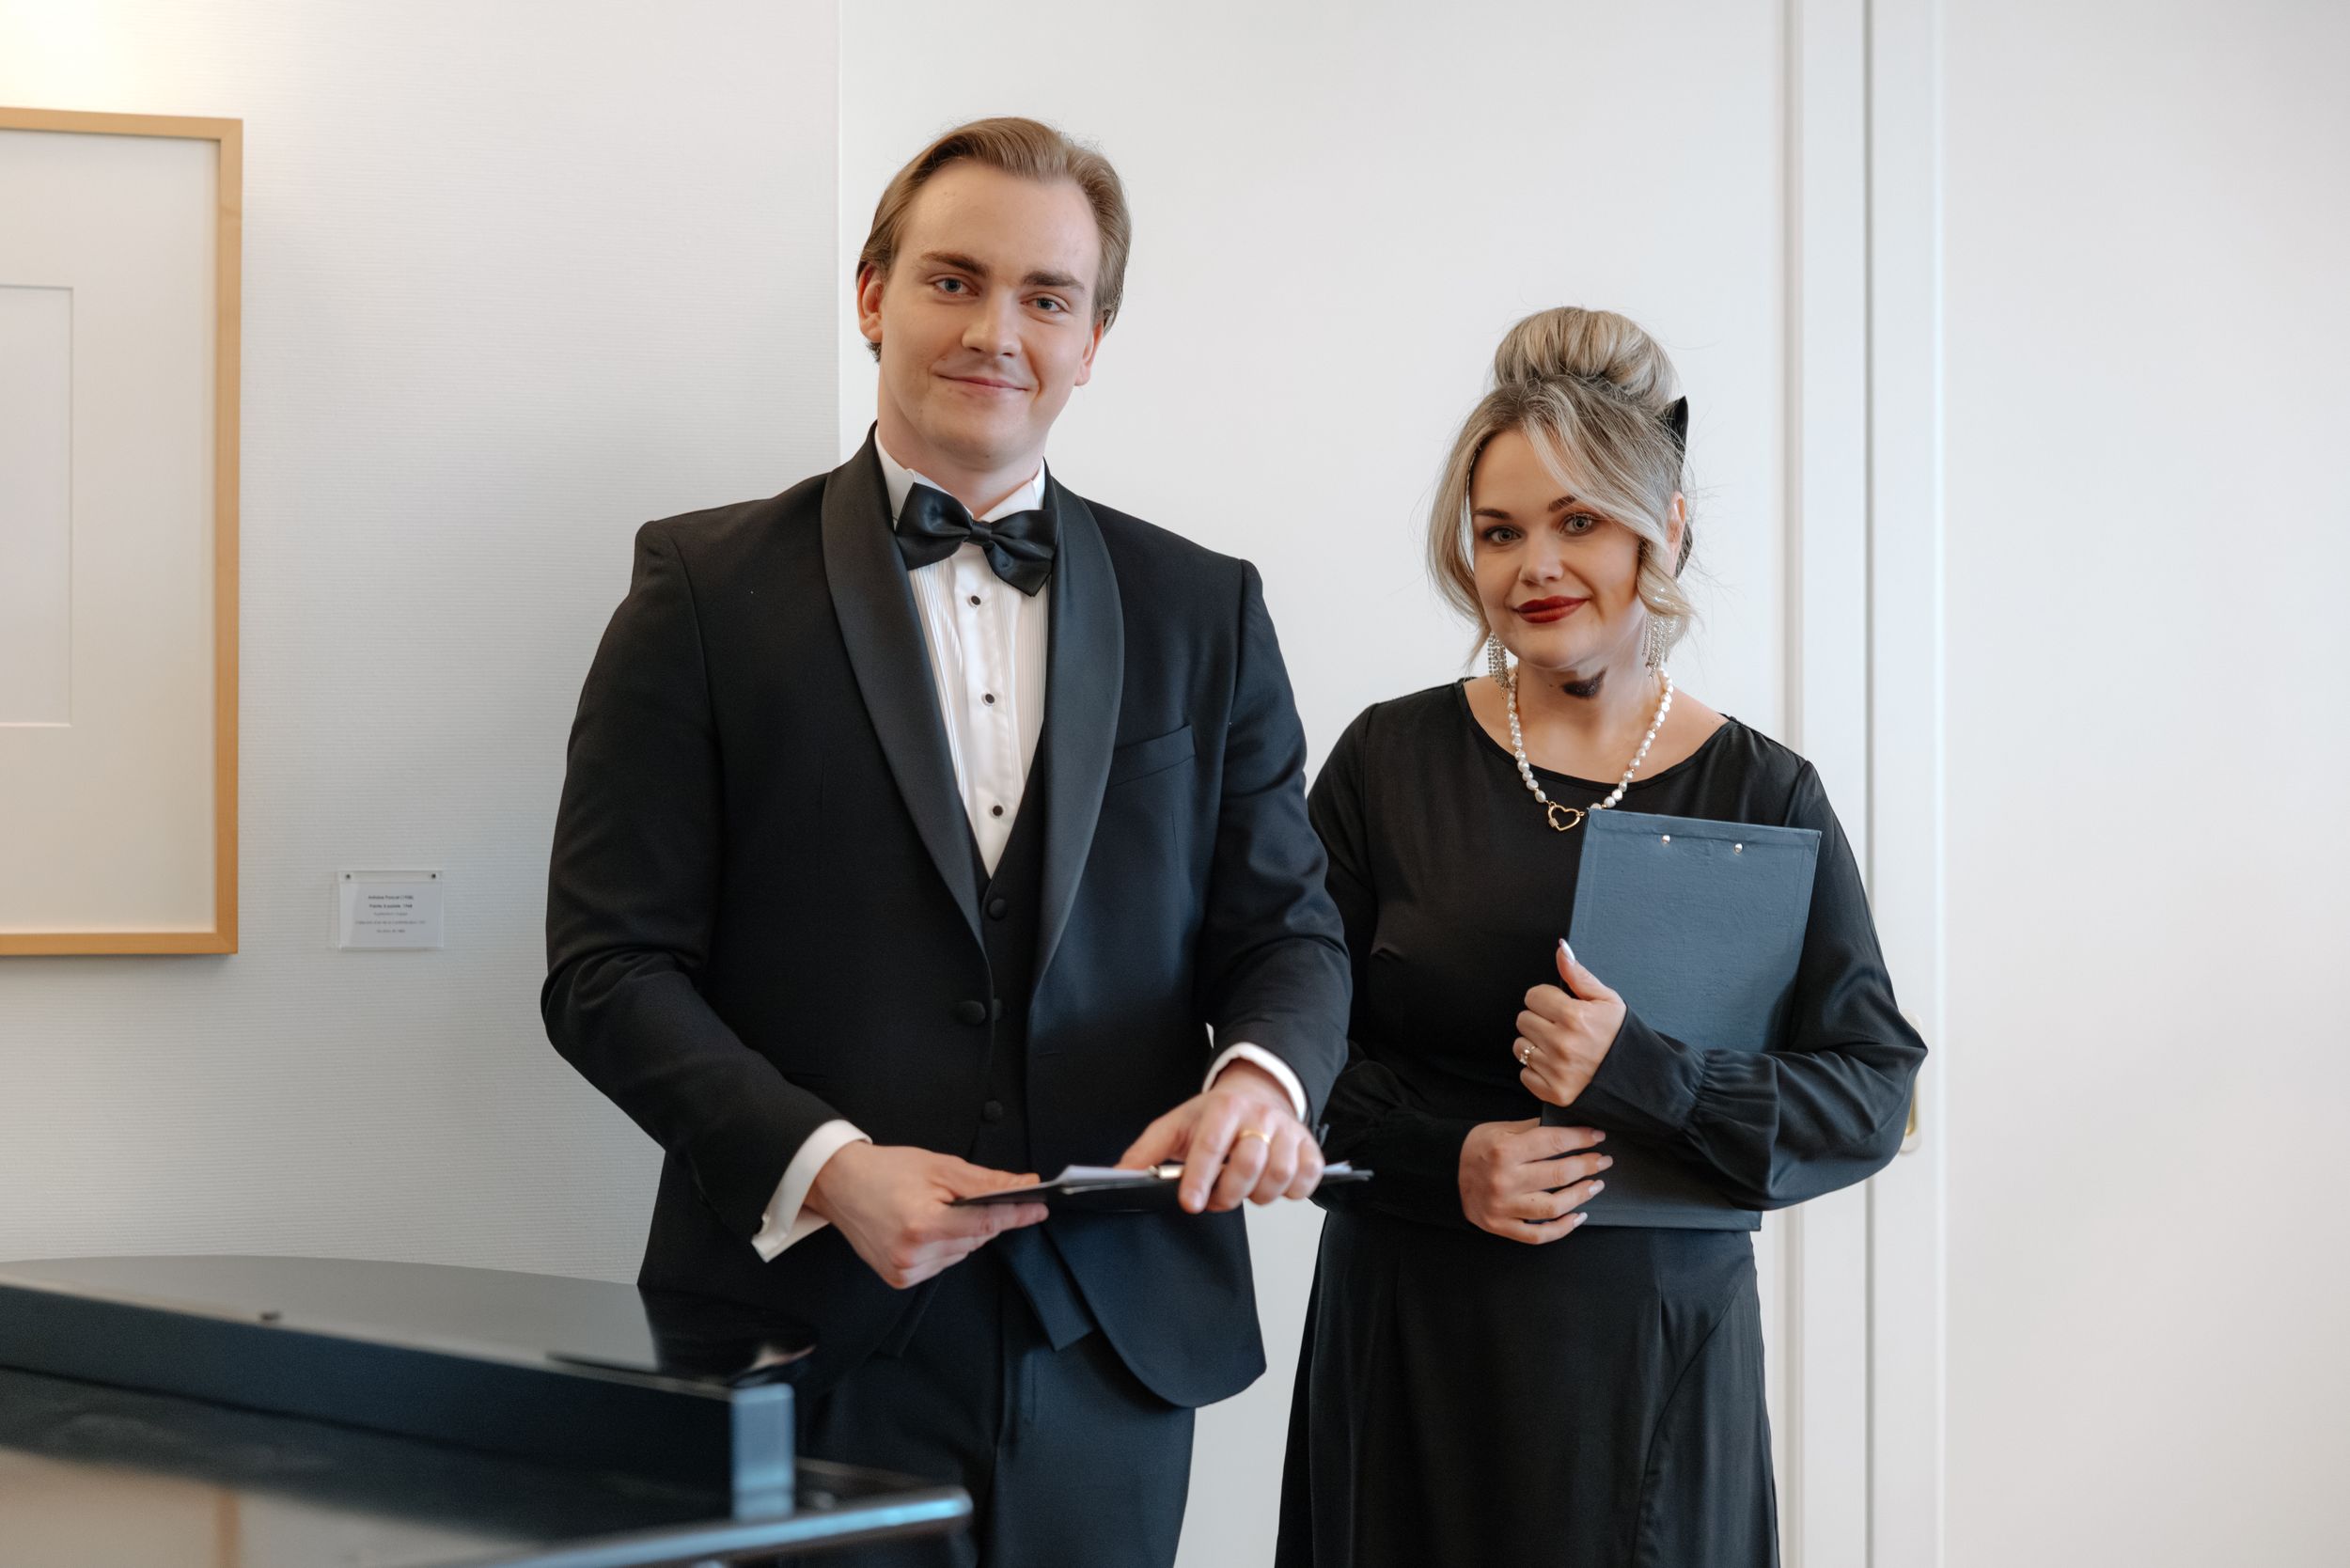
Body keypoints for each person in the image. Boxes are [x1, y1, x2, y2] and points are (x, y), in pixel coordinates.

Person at [542, 117, 1350, 1568]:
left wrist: (1259, 1078)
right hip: (801, 1336)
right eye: (954, 280)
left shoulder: (1207, 609)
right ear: (873, 296)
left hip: (1114, 1338)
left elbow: (1288, 930)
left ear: (1092, 341)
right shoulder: (701, 590)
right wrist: (828, 1166)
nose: (997, 332)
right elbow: (608, 969)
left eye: (1047, 297)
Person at [1275, 306, 1926, 1567]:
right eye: (1500, 531)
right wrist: (1447, 1161)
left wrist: (1646, 1073)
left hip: (1652, 1367)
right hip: (1409, 1334)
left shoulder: (1763, 793)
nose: (1536, 566)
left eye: (1579, 522)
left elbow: (1871, 1096)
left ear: (1662, 527)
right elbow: (1287, 1051)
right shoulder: (1387, 763)